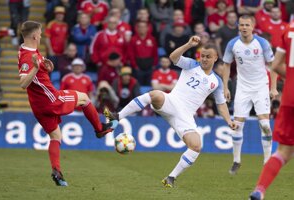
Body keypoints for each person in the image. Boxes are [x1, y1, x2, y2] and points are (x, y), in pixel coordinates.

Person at [104, 36, 237, 187]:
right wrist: (188, 44)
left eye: (208, 56)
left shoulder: (216, 82)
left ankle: (171, 178)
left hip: (185, 115)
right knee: (155, 94)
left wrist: (229, 121)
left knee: (196, 146)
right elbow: (173, 57)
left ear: (215, 57)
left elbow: (221, 105)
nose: (204, 59)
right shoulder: (192, 64)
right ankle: (117, 117)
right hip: (171, 102)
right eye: (203, 55)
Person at [18, 21, 118, 187]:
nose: (42, 35)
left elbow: (34, 72)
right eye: (41, 33)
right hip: (51, 100)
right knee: (84, 98)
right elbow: (23, 83)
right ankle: (100, 130)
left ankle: (57, 172)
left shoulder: (24, 51)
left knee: (56, 136)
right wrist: (36, 68)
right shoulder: (29, 57)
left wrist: (44, 65)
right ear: (35, 36)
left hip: (38, 105)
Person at [222, 15, 278, 175]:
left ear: (253, 26)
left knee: (265, 125)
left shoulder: (262, 43)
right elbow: (226, 65)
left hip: (261, 87)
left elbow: (272, 66)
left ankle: (267, 161)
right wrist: (225, 87)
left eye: (247, 25)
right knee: (237, 126)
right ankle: (236, 161)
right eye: (241, 25)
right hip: (243, 88)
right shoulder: (233, 44)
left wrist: (273, 88)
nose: (244, 27)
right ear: (238, 26)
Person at [248, 20, 294, 200]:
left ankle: (260, 189)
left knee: (284, 151)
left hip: (290, 97)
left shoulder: (289, 29)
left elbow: (275, 65)